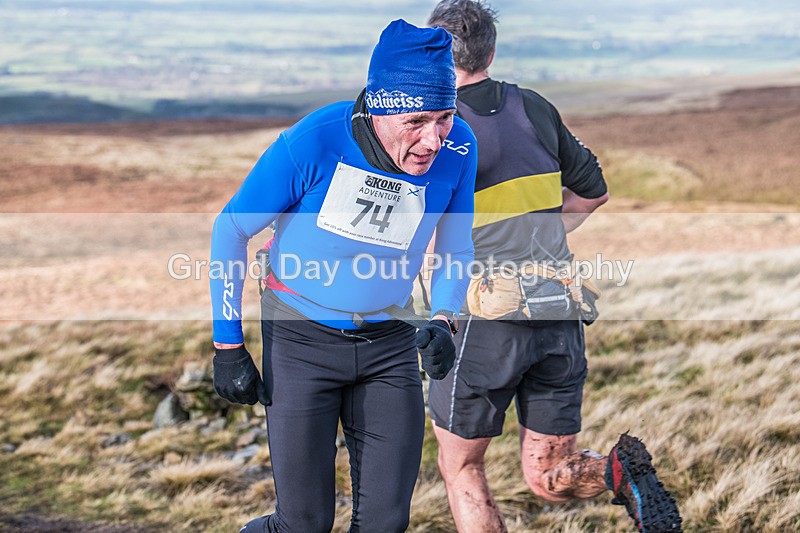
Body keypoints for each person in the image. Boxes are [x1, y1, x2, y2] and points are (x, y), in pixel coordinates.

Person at [208, 19, 477, 533]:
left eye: (445, 117)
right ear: (379, 108)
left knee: (383, 524)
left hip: (392, 344)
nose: (434, 139)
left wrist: (445, 318)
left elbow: (456, 244)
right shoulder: (315, 141)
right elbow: (230, 229)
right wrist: (228, 346)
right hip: (300, 341)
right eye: (418, 120)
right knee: (303, 525)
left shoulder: (460, 148)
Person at [425, 2, 682, 532]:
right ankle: (617, 473)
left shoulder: (435, 128)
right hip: (558, 312)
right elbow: (593, 193)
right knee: (549, 475)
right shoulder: (534, 106)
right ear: (491, 52)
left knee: (461, 466)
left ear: (433, 55)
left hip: (484, 320)